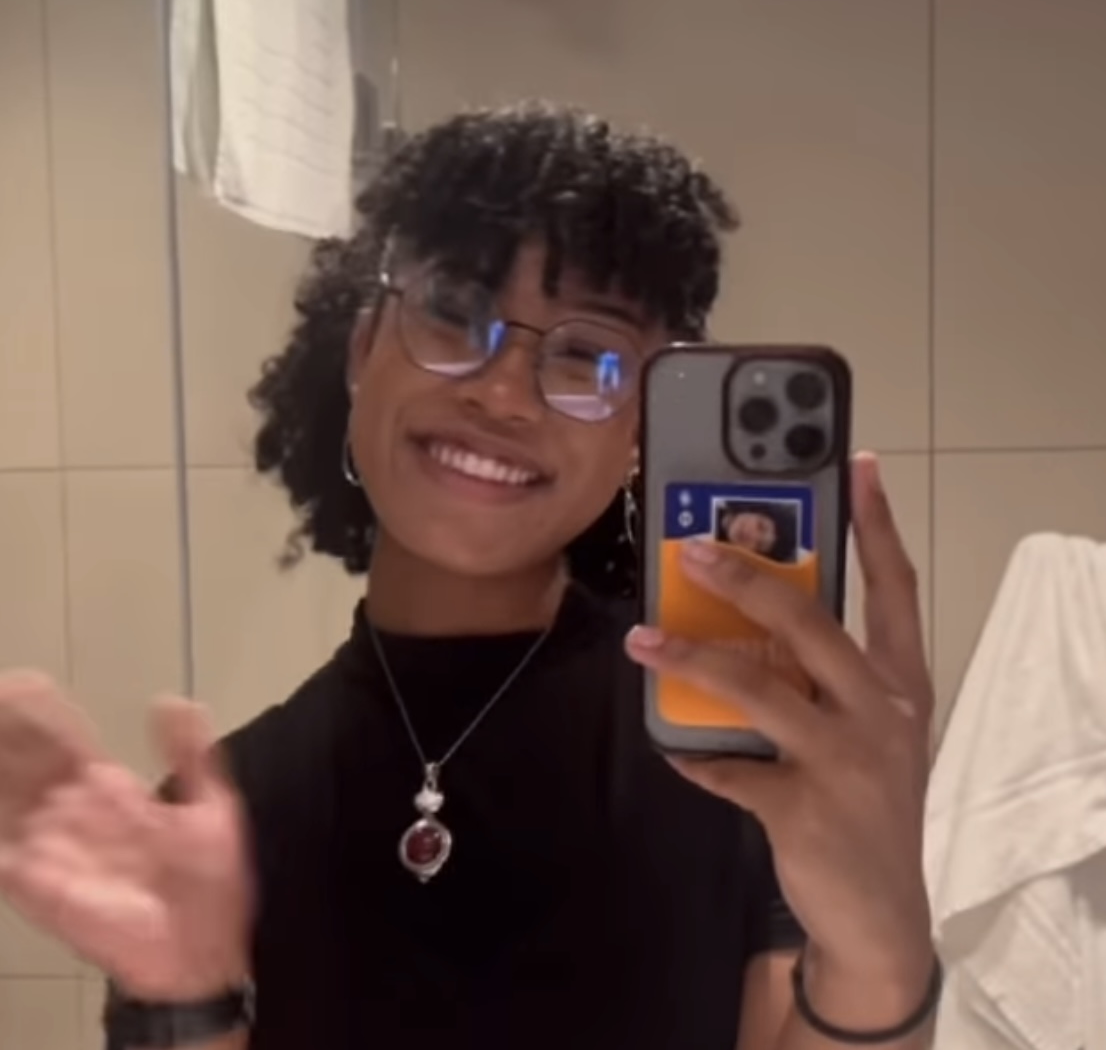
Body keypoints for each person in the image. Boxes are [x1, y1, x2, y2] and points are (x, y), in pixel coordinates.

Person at [0, 103, 937, 1050]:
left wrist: (880, 953)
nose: (502, 391)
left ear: (639, 432)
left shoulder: (734, 764)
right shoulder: (222, 814)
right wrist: (181, 992)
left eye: (586, 356)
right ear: (363, 347)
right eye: (454, 311)